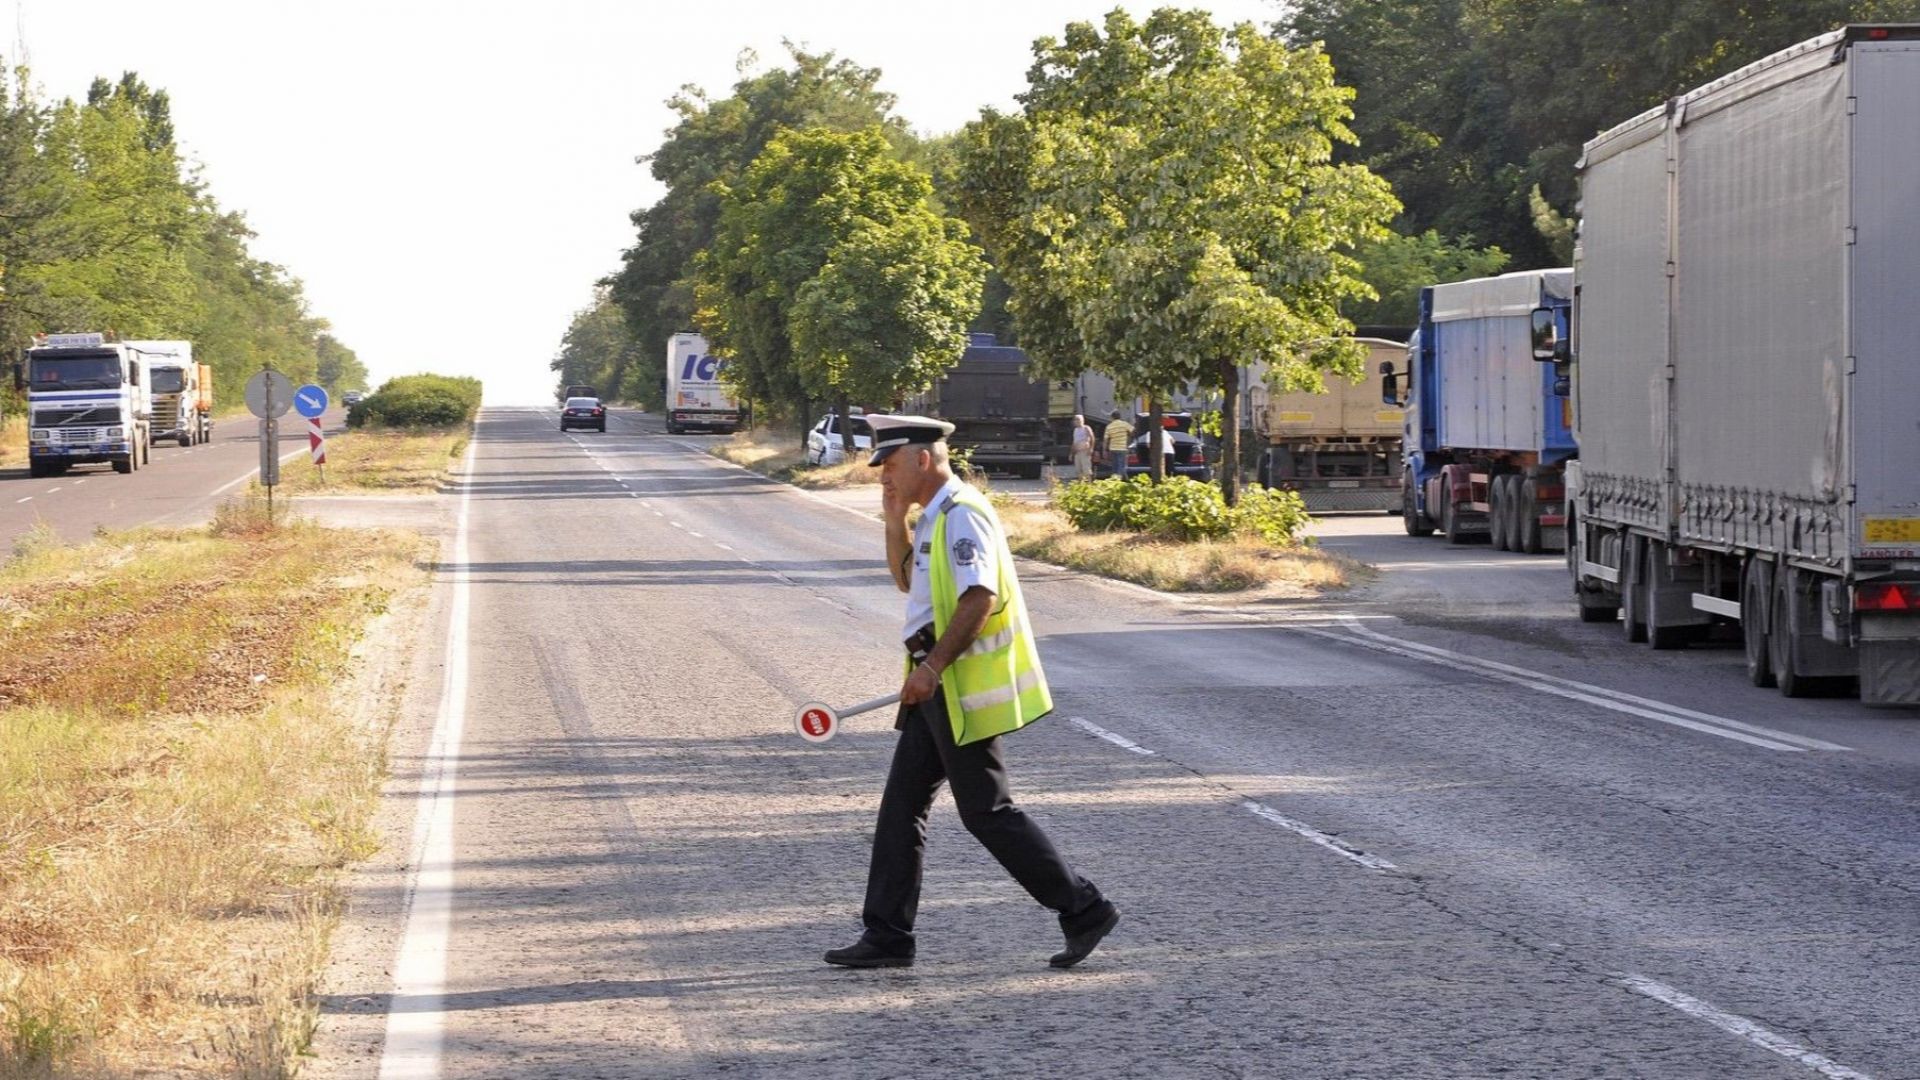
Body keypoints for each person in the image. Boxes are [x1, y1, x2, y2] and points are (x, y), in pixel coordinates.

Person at [825, 414, 1119, 971]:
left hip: (958, 687)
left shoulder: (963, 516)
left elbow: (978, 599)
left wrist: (933, 668)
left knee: (987, 812)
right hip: (935, 684)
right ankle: (887, 936)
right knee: (901, 810)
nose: (882, 476)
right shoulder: (935, 516)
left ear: (921, 459)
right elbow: (909, 580)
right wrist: (894, 521)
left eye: (888, 465)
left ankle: (1083, 907)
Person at [1102, 410, 1132, 480]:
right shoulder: (1124, 424)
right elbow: (1133, 430)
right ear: (1120, 417)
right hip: (1122, 448)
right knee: (1121, 466)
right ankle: (1121, 481)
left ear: (1112, 417)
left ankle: (1116, 480)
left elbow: (1105, 439)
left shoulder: (1109, 426)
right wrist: (1128, 439)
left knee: (1115, 466)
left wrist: (1104, 450)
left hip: (1113, 448)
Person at [1069, 413, 1094, 481]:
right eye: (1076, 420)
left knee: (1086, 469)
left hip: (1085, 451)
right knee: (1078, 469)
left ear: (1082, 420)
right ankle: (1081, 485)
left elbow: (1092, 438)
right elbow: (1074, 442)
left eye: (1078, 420)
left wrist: (1091, 448)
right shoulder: (1075, 430)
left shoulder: (1086, 428)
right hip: (1077, 452)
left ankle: (1089, 484)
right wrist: (1071, 454)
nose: (1077, 421)